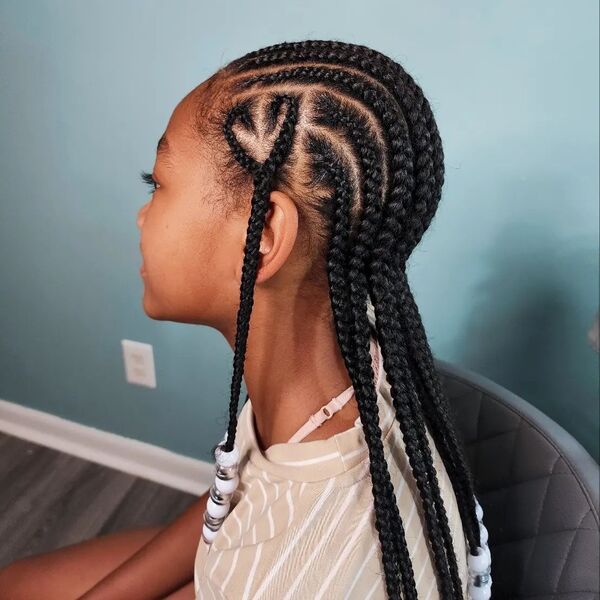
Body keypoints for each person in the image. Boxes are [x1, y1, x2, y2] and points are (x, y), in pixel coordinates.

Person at [0, 40, 491, 599]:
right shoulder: (336, 348)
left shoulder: (295, 578)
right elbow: (238, 486)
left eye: (156, 183)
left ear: (262, 239)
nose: (141, 215)